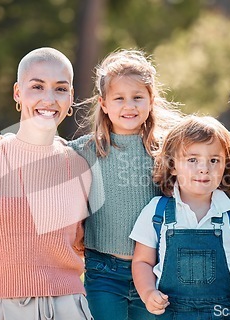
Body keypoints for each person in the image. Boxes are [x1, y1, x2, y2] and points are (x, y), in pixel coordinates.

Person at [0, 47, 93, 319]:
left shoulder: (79, 165)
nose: (49, 98)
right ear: (17, 93)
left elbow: (86, 245)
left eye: (60, 89)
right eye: (37, 86)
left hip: (67, 307)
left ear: (70, 97)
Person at [68, 49, 183, 320]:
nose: (128, 106)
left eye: (137, 97)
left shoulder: (165, 149)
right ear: (104, 103)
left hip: (155, 271)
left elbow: (209, 143)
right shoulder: (86, 150)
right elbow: (45, 150)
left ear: (151, 100)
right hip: (103, 271)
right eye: (119, 98)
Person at [129, 115, 230, 319]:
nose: (204, 168)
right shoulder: (157, 212)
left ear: (225, 165)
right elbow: (142, 262)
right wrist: (148, 293)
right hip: (170, 313)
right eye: (192, 159)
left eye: (214, 160)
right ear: (173, 165)